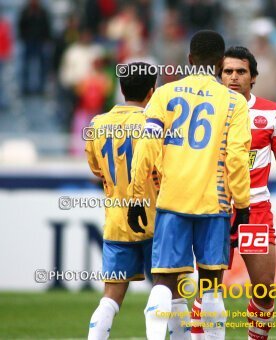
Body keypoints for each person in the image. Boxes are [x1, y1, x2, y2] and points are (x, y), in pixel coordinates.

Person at [127, 30, 251, 340]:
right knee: (210, 285)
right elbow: (236, 158)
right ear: (221, 62)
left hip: (173, 201)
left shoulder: (164, 94)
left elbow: (146, 147)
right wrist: (244, 203)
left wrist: (135, 197)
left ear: (189, 60)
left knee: (165, 283)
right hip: (215, 202)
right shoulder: (235, 102)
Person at [190, 46, 276, 340]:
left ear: (254, 77)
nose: (234, 77)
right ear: (219, 75)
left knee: (264, 289)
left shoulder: (271, 112)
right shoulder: (207, 110)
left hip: (256, 210)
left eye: (241, 72)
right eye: (228, 72)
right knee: (208, 287)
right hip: (216, 207)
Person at [85, 62, 159, 339]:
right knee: (169, 291)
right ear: (152, 92)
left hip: (117, 222)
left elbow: (96, 170)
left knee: (111, 297)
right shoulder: (155, 125)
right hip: (154, 219)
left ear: (120, 88)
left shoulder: (96, 124)